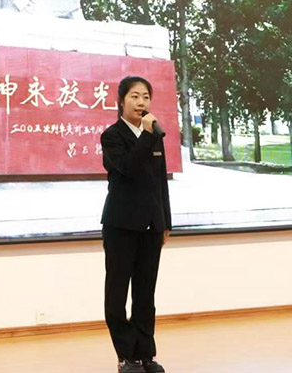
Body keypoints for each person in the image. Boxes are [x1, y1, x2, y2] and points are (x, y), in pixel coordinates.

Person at [100, 76, 172, 373]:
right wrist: (146, 136)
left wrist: (165, 221)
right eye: (134, 96)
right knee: (117, 294)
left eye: (146, 97)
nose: (141, 102)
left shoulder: (153, 137)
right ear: (121, 101)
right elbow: (128, 168)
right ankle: (126, 356)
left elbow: (160, 182)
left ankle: (145, 355)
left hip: (151, 226)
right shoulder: (112, 136)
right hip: (121, 226)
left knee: (145, 294)